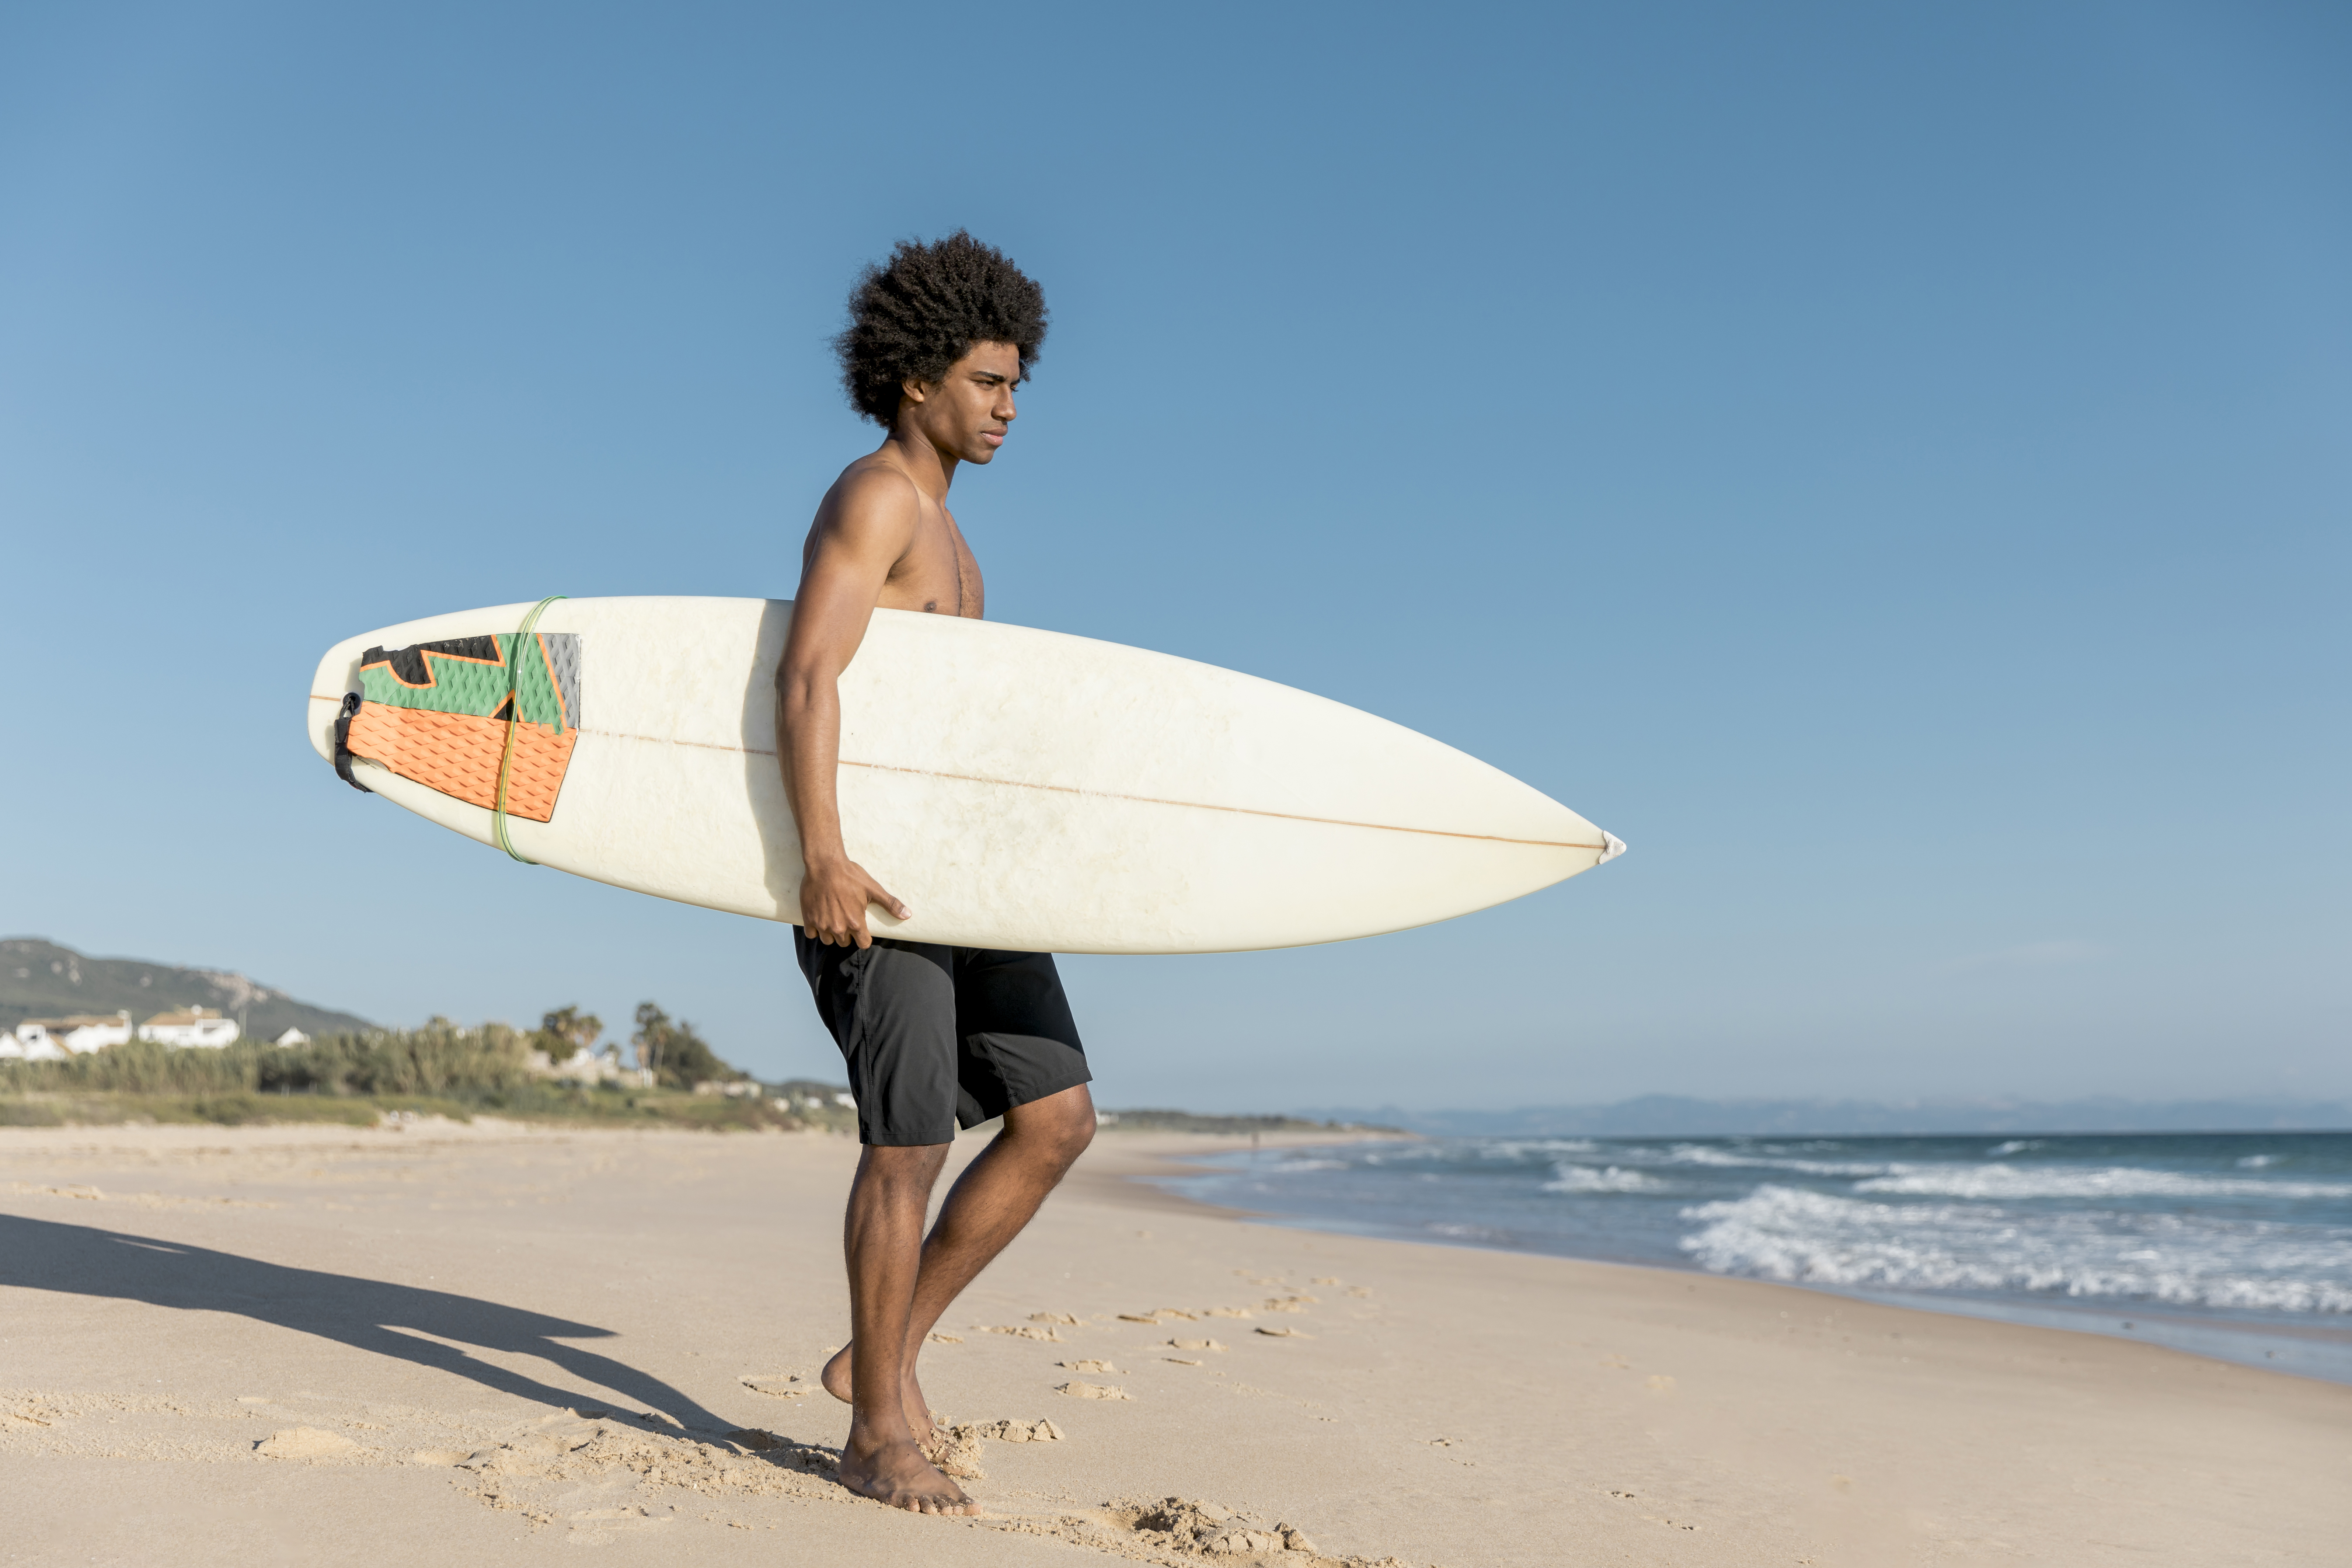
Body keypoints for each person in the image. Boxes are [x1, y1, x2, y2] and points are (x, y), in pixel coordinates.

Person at [776, 232, 1095, 1515]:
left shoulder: (959, 539)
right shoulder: (877, 501)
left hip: (966, 880)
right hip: (879, 883)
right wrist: (823, 856)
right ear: (918, 379)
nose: (1010, 407)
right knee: (906, 1146)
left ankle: (881, 1357)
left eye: (1018, 384)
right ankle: (875, 1435)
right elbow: (808, 677)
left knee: (1058, 1118)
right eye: (987, 381)